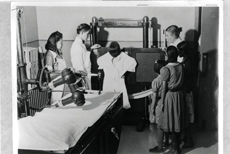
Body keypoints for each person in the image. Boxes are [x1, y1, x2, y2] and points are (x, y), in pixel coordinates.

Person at [157, 46, 185, 154]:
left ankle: (173, 149)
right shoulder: (181, 66)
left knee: (171, 123)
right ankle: (176, 148)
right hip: (179, 95)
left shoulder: (165, 69)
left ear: (167, 55)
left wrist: (162, 102)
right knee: (177, 121)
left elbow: (164, 88)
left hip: (170, 96)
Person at [97, 41, 137, 109]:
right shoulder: (104, 58)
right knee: (107, 105)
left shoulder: (123, 56)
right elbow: (99, 61)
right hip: (108, 83)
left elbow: (133, 62)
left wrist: (123, 72)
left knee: (120, 105)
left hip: (119, 83)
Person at [149, 59, 169, 153]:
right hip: (168, 101)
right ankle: (167, 141)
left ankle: (160, 146)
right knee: (167, 123)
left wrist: (151, 110)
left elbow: (154, 98)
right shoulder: (168, 78)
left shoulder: (156, 81)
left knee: (159, 125)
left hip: (159, 102)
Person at [177, 41, 195, 148]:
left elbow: (188, 77)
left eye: (180, 50)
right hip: (186, 91)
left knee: (188, 116)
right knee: (186, 116)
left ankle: (189, 140)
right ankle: (187, 138)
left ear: (183, 51)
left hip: (187, 92)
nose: (178, 52)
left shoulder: (188, 62)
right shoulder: (187, 60)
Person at [44, 31, 66, 104]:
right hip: (56, 85)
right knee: (56, 104)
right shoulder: (49, 54)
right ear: (54, 42)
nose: (62, 45)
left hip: (62, 82)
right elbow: (49, 74)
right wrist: (64, 72)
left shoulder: (58, 53)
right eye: (60, 43)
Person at [70, 23, 92, 90]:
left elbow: (84, 57)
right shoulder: (77, 46)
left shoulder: (81, 44)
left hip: (84, 75)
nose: (88, 37)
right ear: (82, 33)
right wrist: (85, 81)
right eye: (87, 34)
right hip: (82, 77)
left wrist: (91, 49)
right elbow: (79, 67)